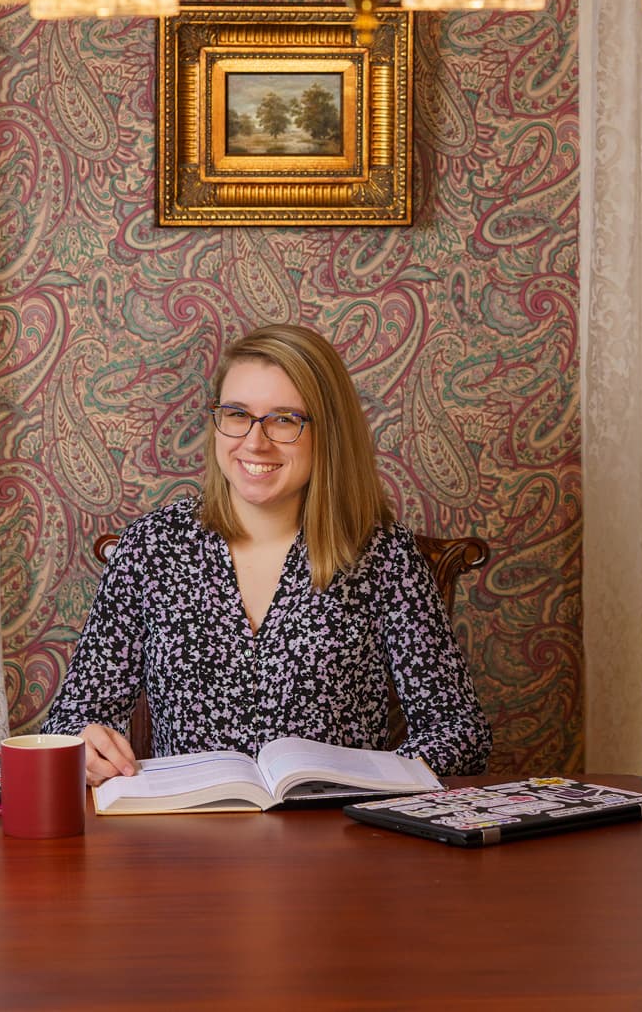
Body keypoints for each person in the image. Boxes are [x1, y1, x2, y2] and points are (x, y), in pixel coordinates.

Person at [43, 323, 492, 784]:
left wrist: (376, 779)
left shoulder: (384, 556)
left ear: (328, 434)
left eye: (284, 419)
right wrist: (86, 747)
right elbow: (70, 721)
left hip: (340, 837)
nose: (254, 442)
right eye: (237, 414)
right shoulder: (152, 548)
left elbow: (459, 732)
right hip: (189, 836)